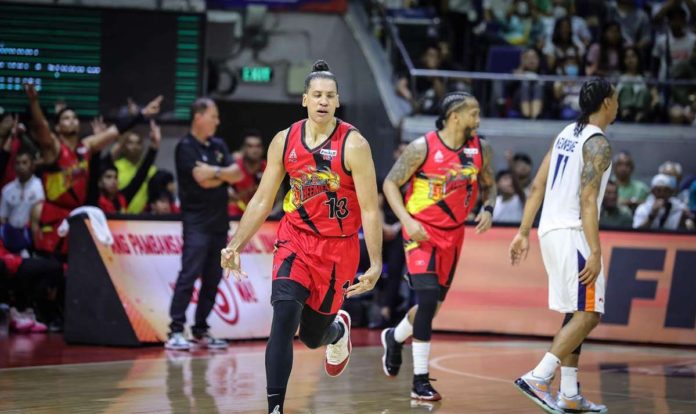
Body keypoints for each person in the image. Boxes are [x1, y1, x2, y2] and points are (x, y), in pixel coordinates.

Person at [219, 60, 382, 414]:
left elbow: (370, 208)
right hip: (296, 239)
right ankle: (275, 408)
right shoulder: (285, 140)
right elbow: (263, 198)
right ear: (304, 99)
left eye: (330, 96)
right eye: (317, 95)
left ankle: (336, 332)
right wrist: (235, 244)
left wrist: (377, 263)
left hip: (338, 249)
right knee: (283, 319)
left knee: (311, 337)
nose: (323, 101)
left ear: (338, 102)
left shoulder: (354, 144)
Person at [509, 78, 617, 413]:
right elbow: (587, 200)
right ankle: (539, 377)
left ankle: (569, 394)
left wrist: (524, 231)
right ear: (606, 103)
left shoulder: (567, 133)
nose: (618, 104)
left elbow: (537, 185)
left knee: (574, 312)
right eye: (615, 98)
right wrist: (596, 250)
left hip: (550, 230)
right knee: (589, 314)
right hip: (573, 232)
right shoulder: (598, 143)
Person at [381, 91, 497, 401]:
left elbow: (489, 184)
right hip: (420, 232)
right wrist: (406, 221)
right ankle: (419, 380)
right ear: (455, 117)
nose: (478, 119)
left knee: (432, 309)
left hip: (453, 235)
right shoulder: (423, 147)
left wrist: (488, 208)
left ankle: (394, 337)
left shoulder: (480, 149)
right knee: (428, 298)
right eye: (473, 113)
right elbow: (390, 183)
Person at [165, 97, 244, 351]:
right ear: (199, 117)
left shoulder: (218, 144)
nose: (218, 121)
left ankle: (200, 329)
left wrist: (215, 173)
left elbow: (237, 174)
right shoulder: (185, 147)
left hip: (219, 224)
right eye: (214, 116)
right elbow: (201, 179)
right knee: (189, 275)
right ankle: (176, 330)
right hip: (196, 223)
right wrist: (220, 174)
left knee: (213, 278)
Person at [0, 149, 44, 253]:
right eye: (18, 163)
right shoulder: (7, 190)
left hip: (34, 236)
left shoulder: (41, 186)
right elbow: (3, 217)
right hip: (12, 237)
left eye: (24, 162)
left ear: (32, 165)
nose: (21, 167)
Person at [227, 130, 266, 217]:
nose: (254, 150)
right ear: (243, 149)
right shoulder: (234, 167)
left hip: (261, 217)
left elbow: (278, 198)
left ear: (262, 149)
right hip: (235, 216)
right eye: (250, 146)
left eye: (258, 146)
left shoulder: (268, 168)